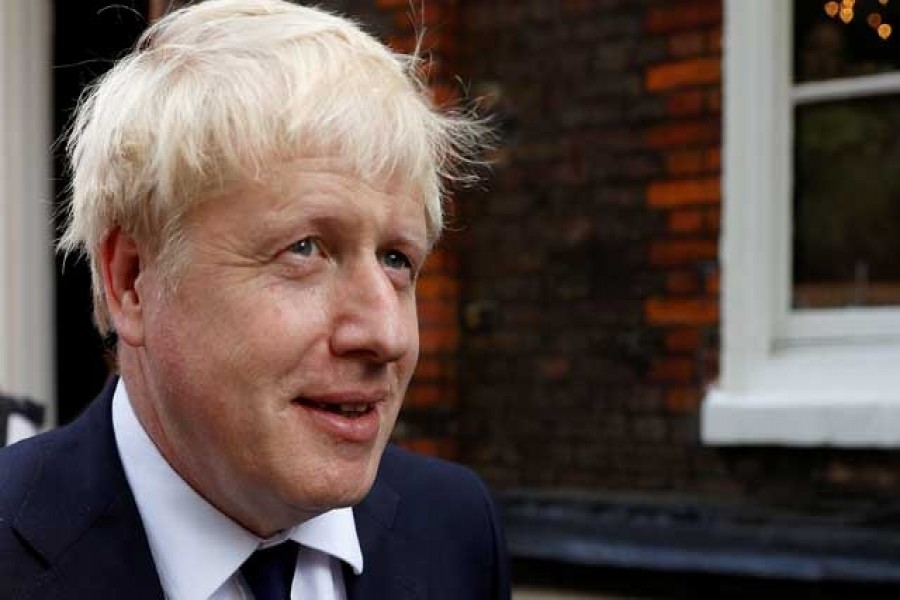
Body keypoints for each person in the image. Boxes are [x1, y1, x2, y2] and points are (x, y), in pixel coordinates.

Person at [0, 1, 509, 598]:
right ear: (133, 280)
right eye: (306, 249)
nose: (386, 335)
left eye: (397, 258)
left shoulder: (456, 529)